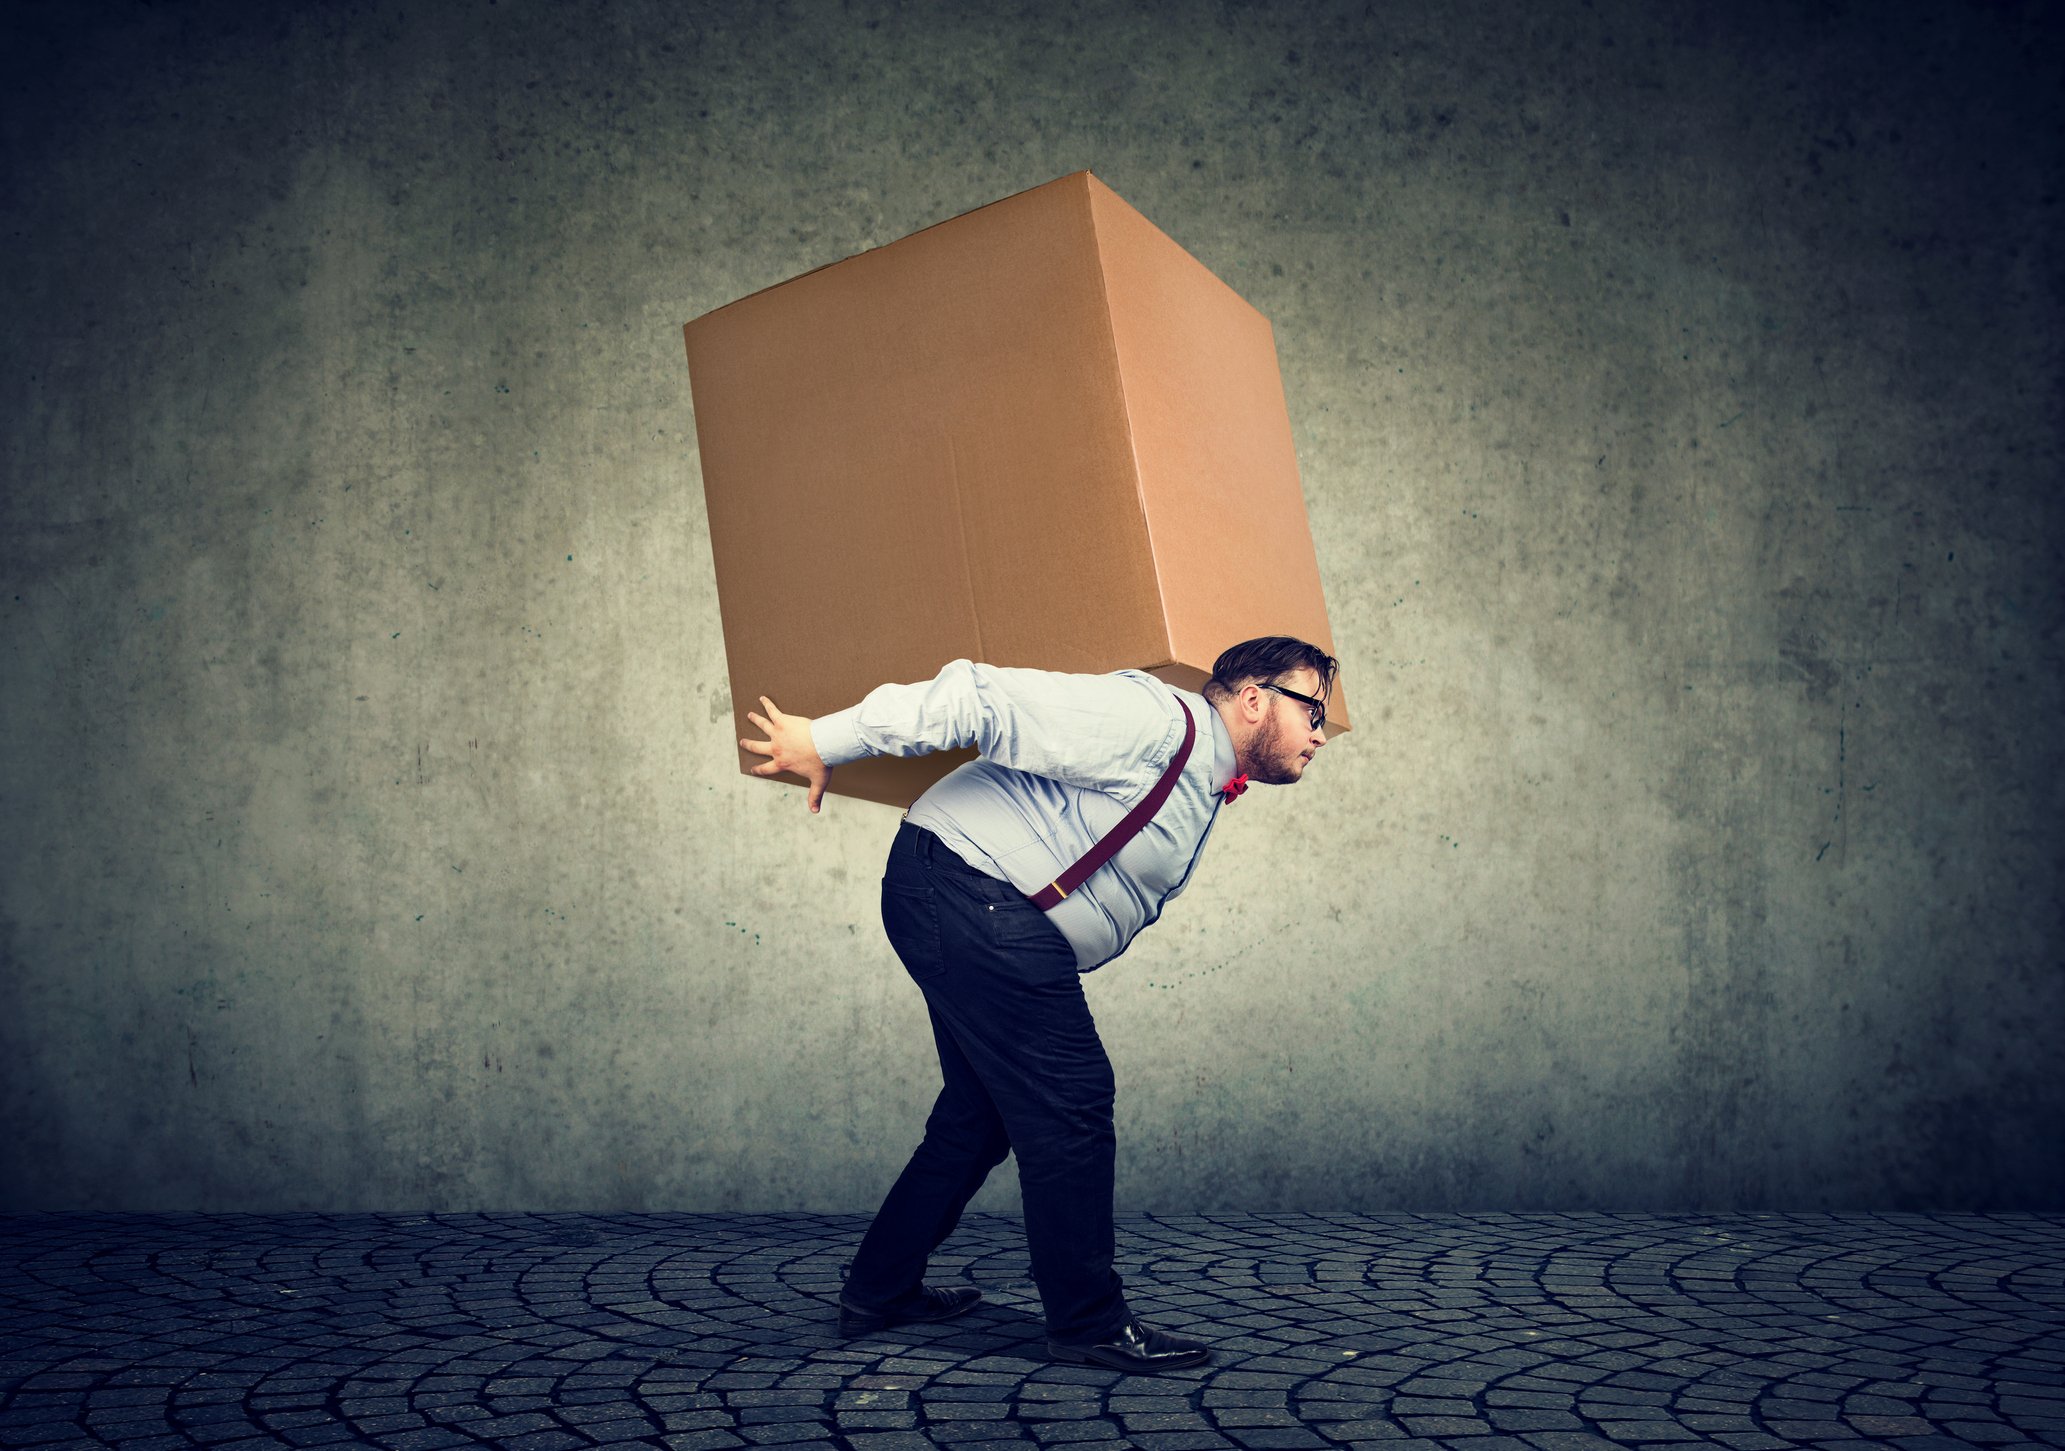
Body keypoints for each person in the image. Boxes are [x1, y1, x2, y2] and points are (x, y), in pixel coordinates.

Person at [739, 636, 1337, 1373]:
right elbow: (976, 696)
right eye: (1312, 708)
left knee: (978, 1114)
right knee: (1072, 1099)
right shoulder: (1153, 719)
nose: (1319, 731)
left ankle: (879, 1288)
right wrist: (820, 739)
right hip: (970, 893)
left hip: (967, 900)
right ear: (1253, 698)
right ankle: (1087, 1322)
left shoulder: (1202, 774)